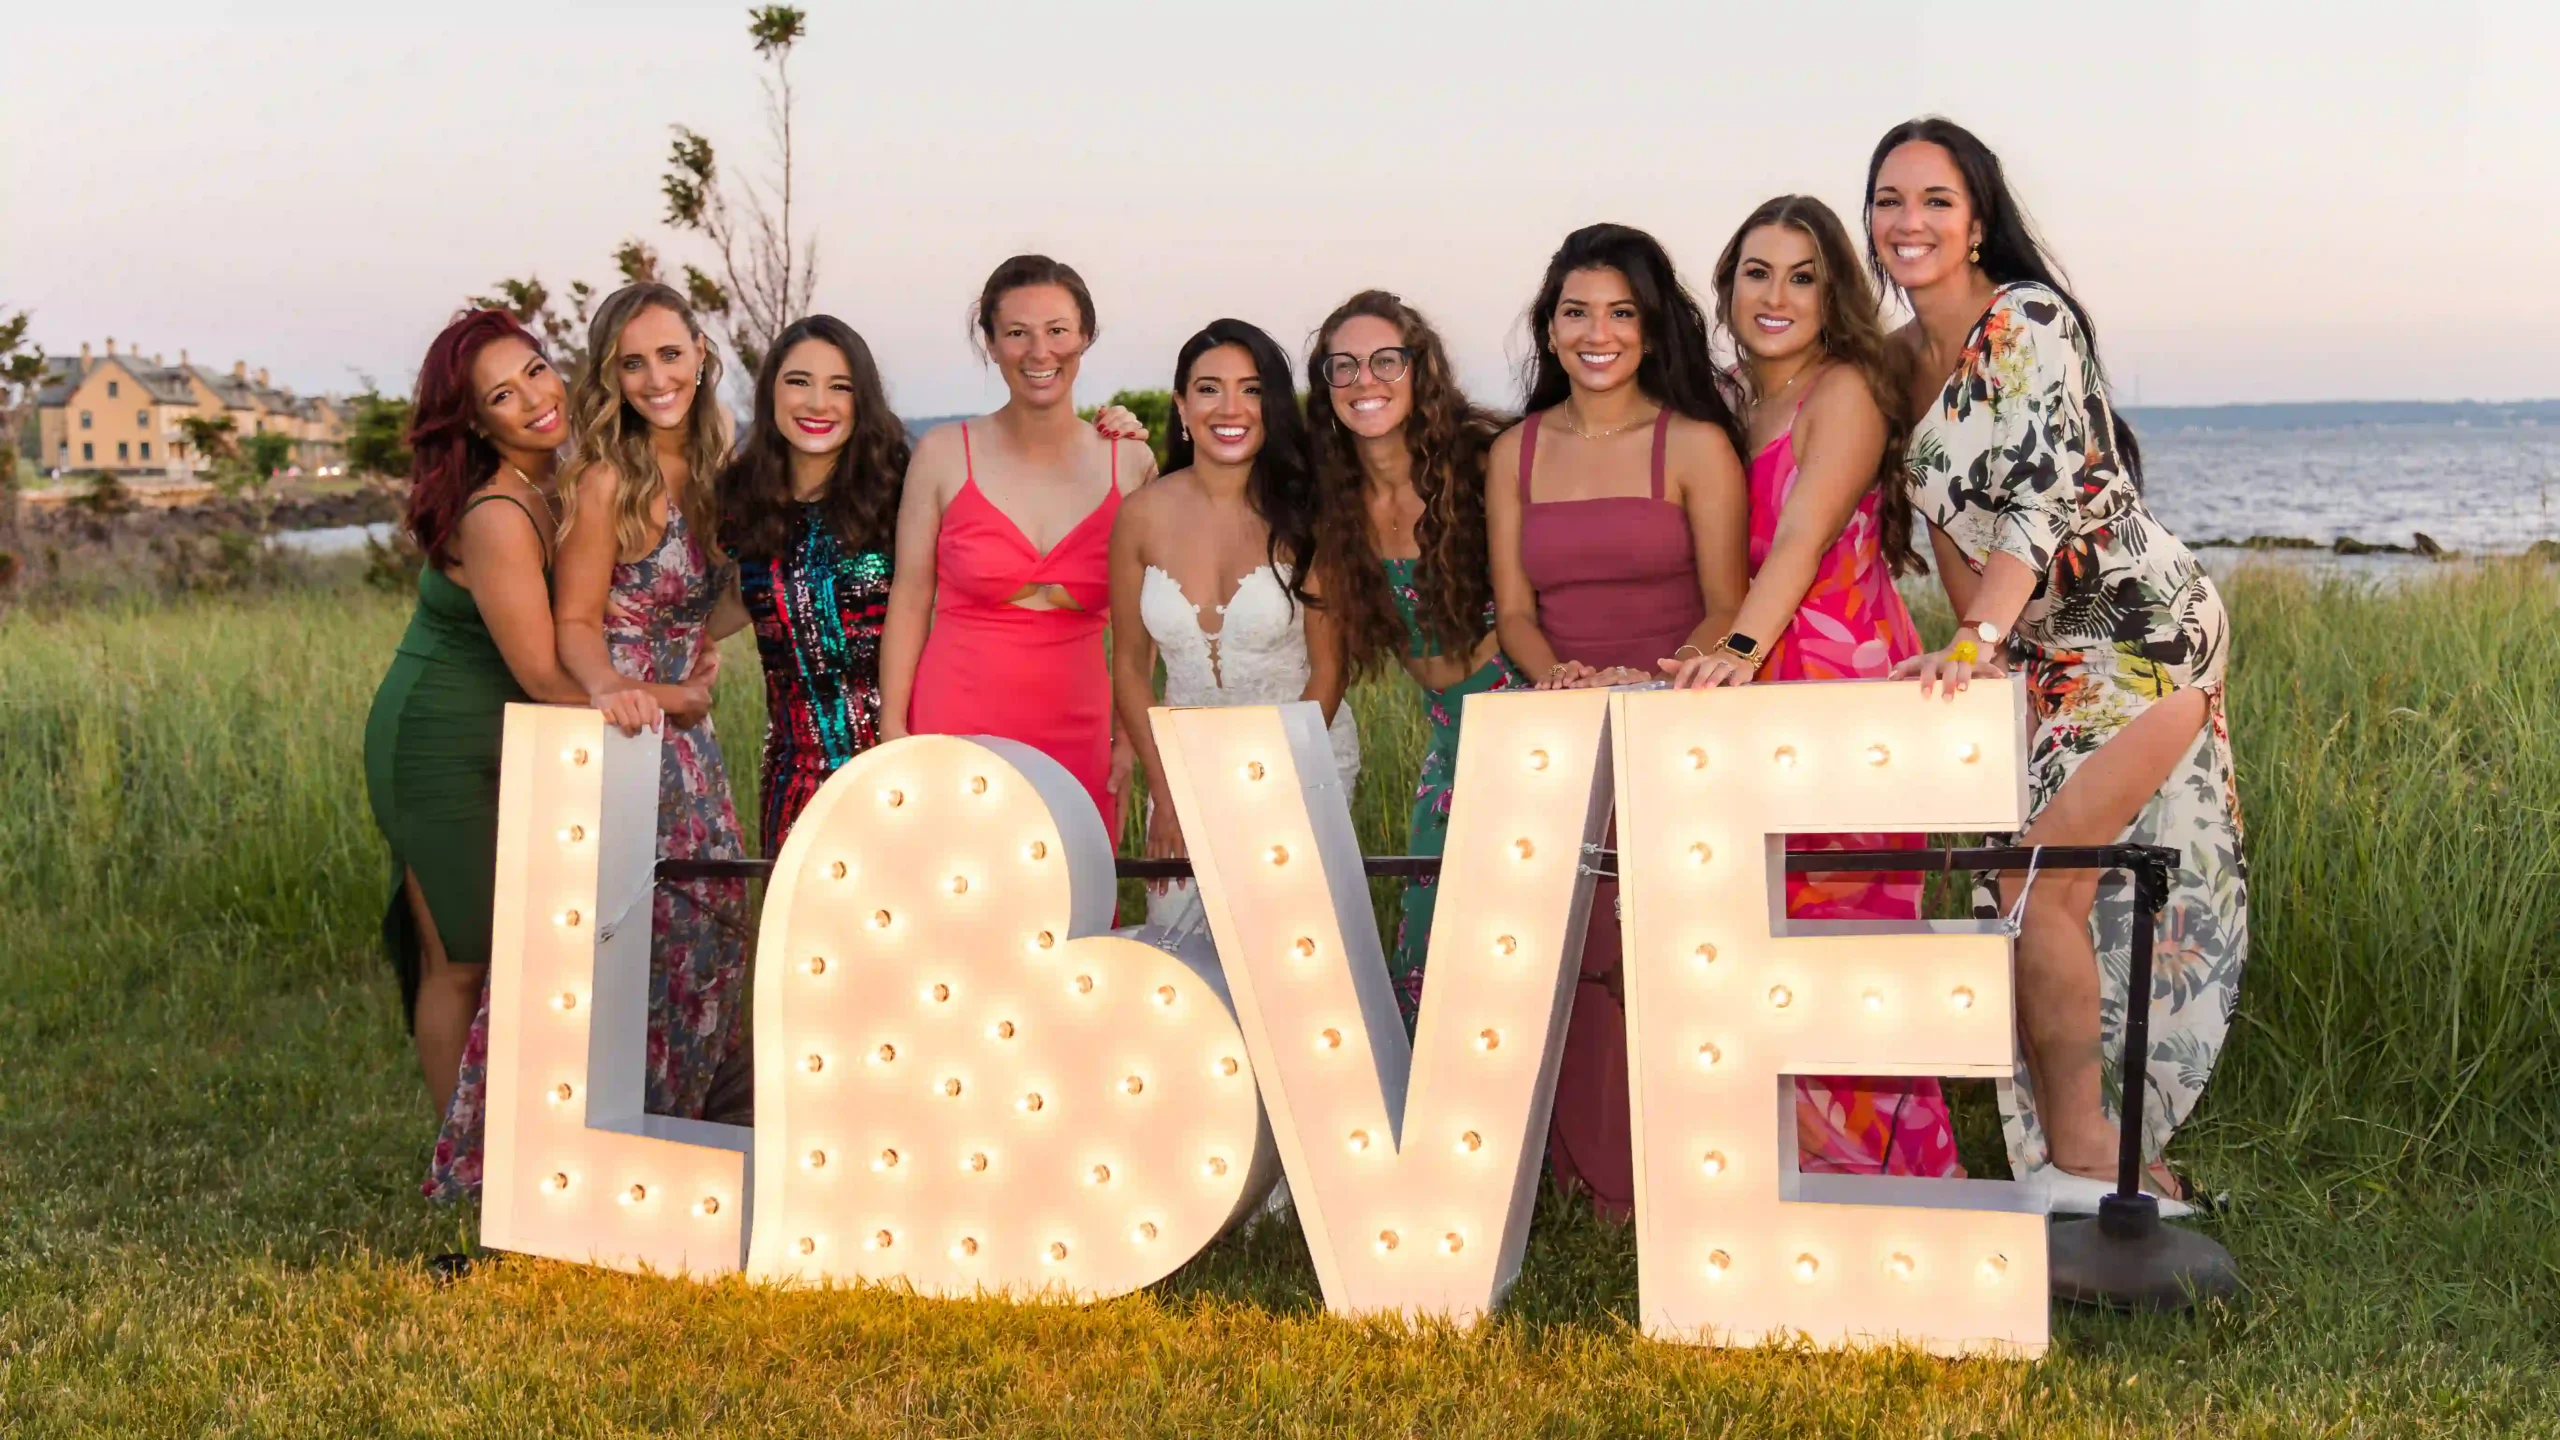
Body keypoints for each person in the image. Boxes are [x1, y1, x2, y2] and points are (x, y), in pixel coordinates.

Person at [1868, 117, 2247, 1214]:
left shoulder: (2027, 317)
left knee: (2041, 883)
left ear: (1977, 216)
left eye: (1934, 199)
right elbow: (1938, 514)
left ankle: (2089, 1153)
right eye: (1889, 200)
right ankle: (2084, 1146)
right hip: (2035, 649)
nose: (1909, 222)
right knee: (2029, 887)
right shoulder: (1896, 365)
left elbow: (2037, 493)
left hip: (2137, 627)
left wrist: (1973, 637)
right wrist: (1973, 644)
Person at [1661, 195, 1961, 1178]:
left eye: (1802, 274)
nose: (1776, 294)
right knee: (1757, 950)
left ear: (1833, 293)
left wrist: (1740, 650)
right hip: (1753, 691)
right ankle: (1783, 1190)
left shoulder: (1846, 391)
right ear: (1727, 286)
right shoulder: (1722, 404)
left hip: (1839, 687)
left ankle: (1903, 1191)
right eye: (1757, 272)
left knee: (1849, 954)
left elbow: (1799, 535)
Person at [362, 309, 664, 1202]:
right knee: (459, 954)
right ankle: (472, 1167)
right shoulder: (497, 510)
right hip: (439, 748)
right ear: (474, 421)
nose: (535, 398)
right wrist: (654, 703)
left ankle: (506, 1141)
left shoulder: (557, 481)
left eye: (536, 370)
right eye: (503, 393)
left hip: (501, 744)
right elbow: (540, 671)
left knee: (506, 947)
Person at [1485, 223, 1750, 1219]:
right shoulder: (1511, 454)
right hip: (1559, 726)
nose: (1597, 333)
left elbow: (1728, 604)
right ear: (1548, 329)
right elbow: (1513, 613)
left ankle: (1679, 1169)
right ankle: (1583, 1168)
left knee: (1669, 944)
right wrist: (1558, 683)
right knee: (1574, 945)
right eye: (1576, 312)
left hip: (1673, 724)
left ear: (1649, 329)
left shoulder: (1692, 444)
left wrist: (1658, 685)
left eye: (1620, 314)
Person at [553, 281, 747, 1123]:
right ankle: (621, 1126)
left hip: (689, 731)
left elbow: (718, 600)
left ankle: (678, 1122)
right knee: (648, 936)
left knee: (714, 918)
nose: (656, 378)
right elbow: (574, 619)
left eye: (670, 355)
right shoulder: (608, 479)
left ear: (702, 356)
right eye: (632, 364)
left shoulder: (714, 468)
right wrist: (612, 688)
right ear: (611, 378)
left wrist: (707, 655)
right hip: (634, 728)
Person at [879, 256, 1157, 841]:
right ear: (991, 342)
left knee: (1073, 910)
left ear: (1086, 337)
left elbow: (1142, 628)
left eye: (1057, 330)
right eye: (1017, 333)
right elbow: (909, 598)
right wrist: (892, 728)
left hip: (1079, 727)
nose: (1040, 351)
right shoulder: (942, 454)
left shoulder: (1130, 462)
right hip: (955, 719)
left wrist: (1128, 741)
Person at [1304, 290, 1521, 1029]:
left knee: (1521, 933)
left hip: (1524, 721)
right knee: (1429, 940)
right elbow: (1326, 676)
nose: (1366, 380)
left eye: (1385, 360)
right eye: (1344, 367)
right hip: (1445, 739)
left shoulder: (1483, 461)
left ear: (1419, 368)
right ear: (1326, 386)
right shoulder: (1334, 504)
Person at [1110, 319, 1358, 932]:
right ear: (1181, 406)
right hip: (1184, 774)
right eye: (1209, 389)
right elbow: (1131, 671)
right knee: (1180, 958)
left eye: (1250, 390)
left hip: (1301, 764)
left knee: (1291, 954)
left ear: (1271, 407)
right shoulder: (1141, 515)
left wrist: (1274, 790)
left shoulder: (1307, 514)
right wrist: (1166, 799)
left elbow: (1330, 672)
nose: (1230, 408)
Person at [717, 315, 908, 856]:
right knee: (798, 937)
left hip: (901, 771)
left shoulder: (903, 491)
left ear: (862, 400)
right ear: (771, 390)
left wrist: (1114, 443)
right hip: (793, 783)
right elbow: (713, 608)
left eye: (840, 386)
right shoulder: (741, 500)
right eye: (799, 381)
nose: (817, 403)